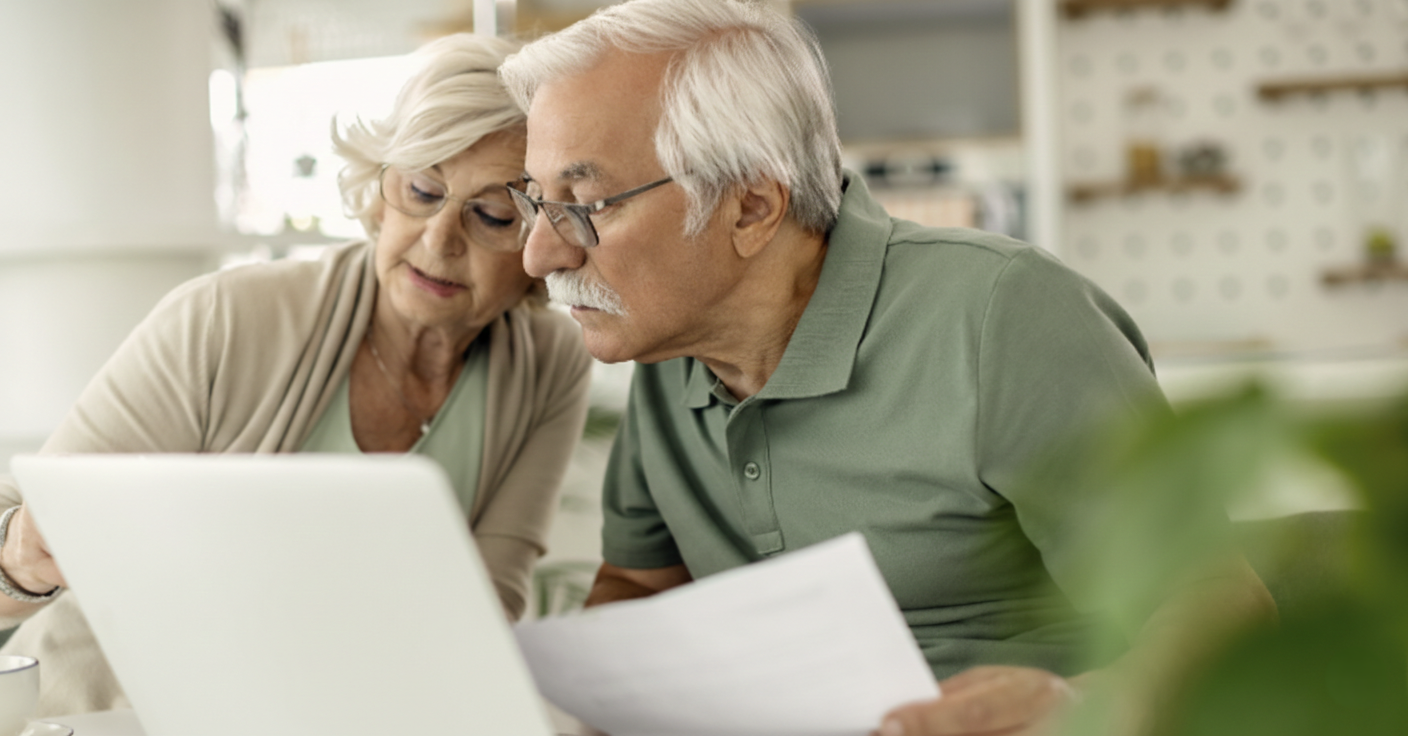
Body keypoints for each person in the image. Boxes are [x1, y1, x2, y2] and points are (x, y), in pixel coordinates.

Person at [498, 1, 1276, 735]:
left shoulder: (1003, 317)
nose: (540, 254)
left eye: (586, 205)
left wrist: (1073, 709)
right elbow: (638, 585)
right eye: (537, 200)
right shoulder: (668, 346)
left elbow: (1219, 614)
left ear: (752, 208)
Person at [0, 33, 592, 717]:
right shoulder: (224, 318)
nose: (438, 240)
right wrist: (22, 560)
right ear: (379, 194)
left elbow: (487, 603)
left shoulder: (549, 364)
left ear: (543, 237)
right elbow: (28, 529)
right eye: (422, 189)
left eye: (492, 215)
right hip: (109, 713)